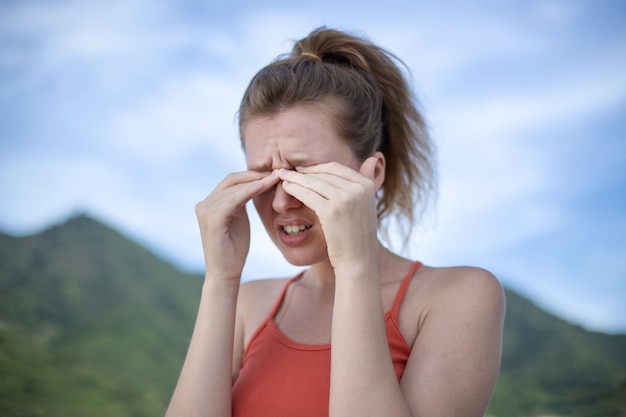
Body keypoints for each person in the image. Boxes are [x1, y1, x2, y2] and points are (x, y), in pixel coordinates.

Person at [165, 27, 505, 417]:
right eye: (263, 177)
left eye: (303, 173)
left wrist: (355, 267)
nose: (280, 201)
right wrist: (220, 281)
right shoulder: (247, 305)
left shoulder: (456, 296)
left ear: (372, 172)